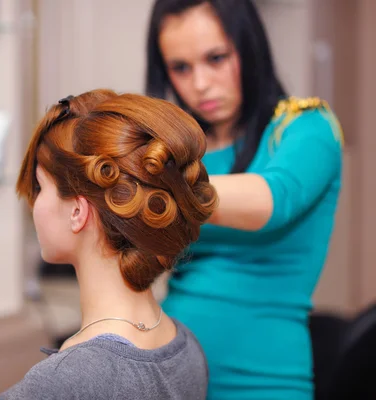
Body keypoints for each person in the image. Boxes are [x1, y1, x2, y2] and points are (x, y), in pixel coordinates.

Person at [145, 0, 344, 399]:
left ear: (249, 47)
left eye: (216, 58)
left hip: (264, 382)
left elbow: (272, 199)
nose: (200, 84)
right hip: (170, 376)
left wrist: (153, 188)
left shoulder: (305, 127)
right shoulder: (181, 154)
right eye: (181, 68)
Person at [0, 89, 218, 399]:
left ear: (77, 211)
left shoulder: (66, 382)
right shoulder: (186, 345)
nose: (34, 203)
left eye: (40, 186)